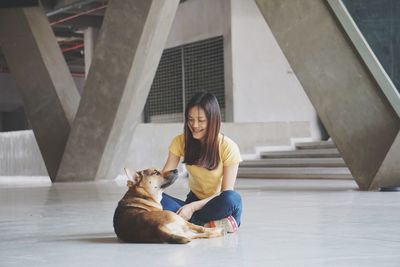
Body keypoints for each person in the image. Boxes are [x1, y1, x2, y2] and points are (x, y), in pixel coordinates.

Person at [161, 91, 243, 233]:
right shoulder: (180, 142)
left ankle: (188, 223)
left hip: (217, 204)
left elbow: (226, 192)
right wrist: (141, 183)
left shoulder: (228, 147)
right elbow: (163, 179)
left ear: (213, 120)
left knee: (232, 198)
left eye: (201, 120)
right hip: (194, 199)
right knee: (155, 197)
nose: (194, 125)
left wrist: (191, 208)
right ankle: (208, 226)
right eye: (190, 119)